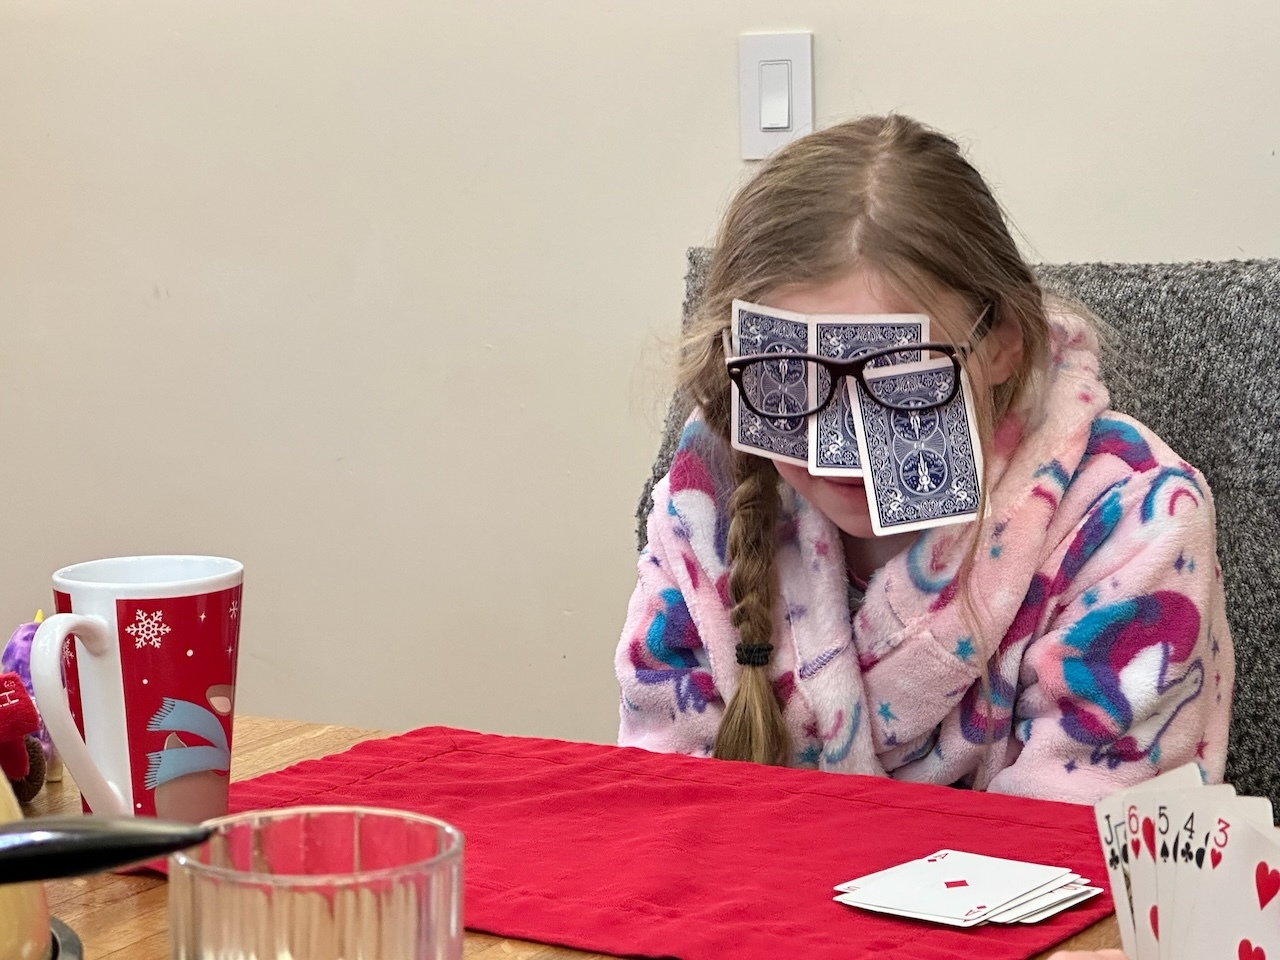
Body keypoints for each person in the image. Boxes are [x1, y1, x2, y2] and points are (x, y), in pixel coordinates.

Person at [615, 114, 1233, 803]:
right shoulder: (706, 500)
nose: (836, 444)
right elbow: (667, 804)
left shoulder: (1134, 516)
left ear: (1001, 344)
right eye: (788, 375)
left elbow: (1084, 838)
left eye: (896, 373)